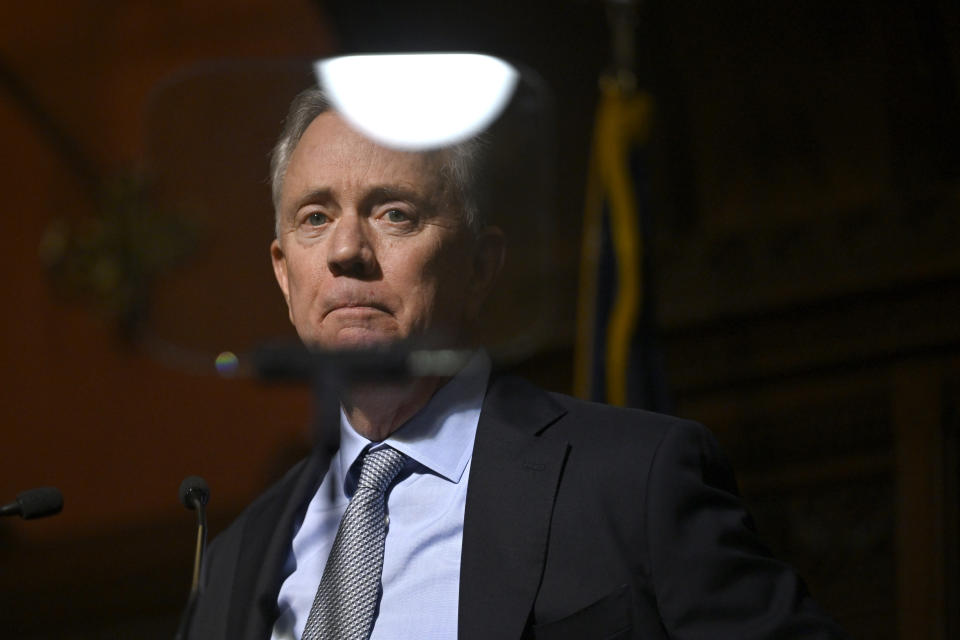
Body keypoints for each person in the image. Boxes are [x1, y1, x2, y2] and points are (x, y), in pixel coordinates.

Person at [186, 87, 848, 640]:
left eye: (394, 213)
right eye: (314, 217)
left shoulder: (634, 481)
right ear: (283, 273)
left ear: (480, 267)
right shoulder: (232, 565)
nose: (347, 250)